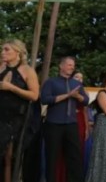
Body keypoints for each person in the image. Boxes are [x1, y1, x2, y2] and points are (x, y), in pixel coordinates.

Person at [41, 56, 89, 182]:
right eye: (69, 65)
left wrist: (77, 96)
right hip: (53, 124)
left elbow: (86, 101)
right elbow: (45, 99)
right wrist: (68, 95)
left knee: (75, 156)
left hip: (71, 124)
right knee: (52, 156)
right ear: (61, 66)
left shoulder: (77, 84)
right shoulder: (51, 82)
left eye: (73, 65)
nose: (72, 67)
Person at [0, 39, 39, 182]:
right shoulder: (0, 67)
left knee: (8, 157)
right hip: (1, 115)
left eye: (6, 49)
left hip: (16, 119)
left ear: (17, 52)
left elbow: (34, 95)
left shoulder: (27, 70)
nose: (3, 52)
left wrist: (11, 88)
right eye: (2, 49)